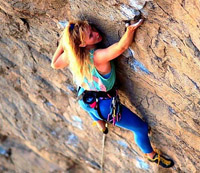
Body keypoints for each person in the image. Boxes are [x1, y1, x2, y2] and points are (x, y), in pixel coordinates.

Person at [51, 20, 174, 168]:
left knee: (92, 109)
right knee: (140, 128)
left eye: (93, 29)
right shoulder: (97, 56)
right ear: (82, 44)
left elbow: (55, 63)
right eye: (91, 35)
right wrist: (130, 30)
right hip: (105, 106)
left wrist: (64, 44)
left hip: (85, 99)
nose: (96, 34)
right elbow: (122, 46)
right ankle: (151, 156)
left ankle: (100, 123)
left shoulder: (73, 55)